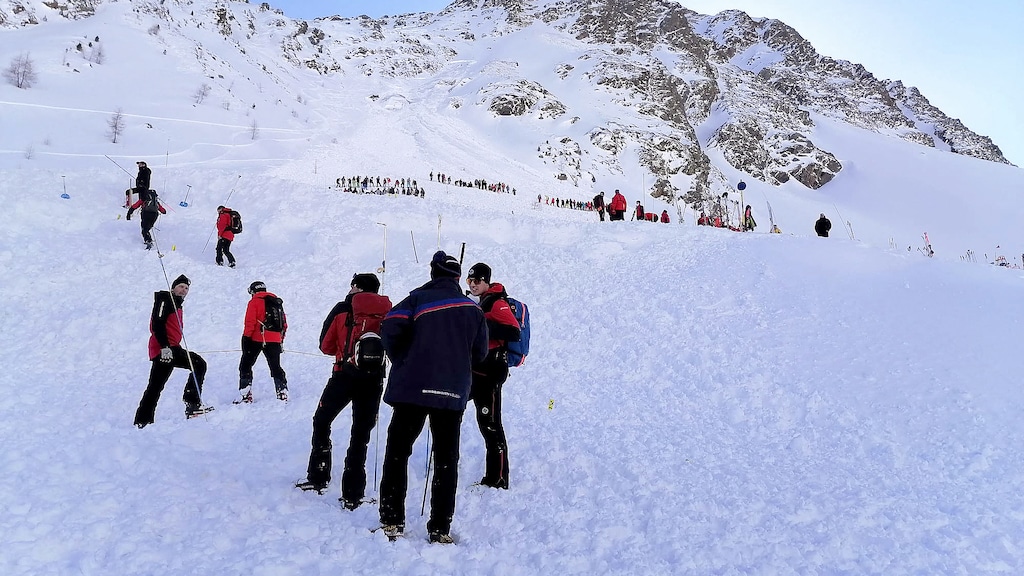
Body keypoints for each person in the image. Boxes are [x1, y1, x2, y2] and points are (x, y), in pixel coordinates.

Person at [377, 251, 488, 544]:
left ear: (433, 273)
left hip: (412, 389)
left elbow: (389, 327)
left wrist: (402, 358)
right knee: (446, 459)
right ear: (456, 277)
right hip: (451, 393)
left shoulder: (417, 300)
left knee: (398, 453)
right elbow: (480, 353)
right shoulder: (474, 310)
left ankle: (391, 520)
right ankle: (440, 527)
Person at [296, 273, 392, 510]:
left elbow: (325, 346)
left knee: (322, 420)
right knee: (361, 434)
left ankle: (319, 475)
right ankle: (353, 493)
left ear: (356, 287)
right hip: (373, 380)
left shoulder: (343, 308)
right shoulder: (387, 311)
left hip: (344, 374)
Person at [465, 263, 521, 490]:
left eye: (477, 280)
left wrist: (483, 324)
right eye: (470, 280)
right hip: (475, 370)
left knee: (490, 424)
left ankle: (498, 478)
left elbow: (513, 331)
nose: (473, 284)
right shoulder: (479, 302)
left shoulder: (497, 303)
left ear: (487, 281)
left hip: (490, 373)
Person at [134, 275, 212, 428]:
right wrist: (165, 347)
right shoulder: (165, 299)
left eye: (186, 288)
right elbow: (157, 323)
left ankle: (143, 421)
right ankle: (192, 403)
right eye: (181, 286)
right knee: (198, 364)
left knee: (155, 386)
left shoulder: (176, 304)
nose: (184, 290)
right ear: (173, 287)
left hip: (169, 348)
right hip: (165, 349)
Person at [235, 281, 288, 404]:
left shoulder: (254, 301)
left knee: (246, 364)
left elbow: (250, 322)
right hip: (275, 339)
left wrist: (246, 338)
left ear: (252, 291)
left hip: (257, 338)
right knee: (275, 366)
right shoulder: (277, 302)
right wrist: (280, 340)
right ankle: (282, 391)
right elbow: (284, 324)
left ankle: (245, 394)